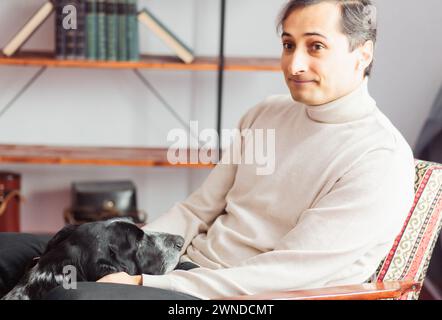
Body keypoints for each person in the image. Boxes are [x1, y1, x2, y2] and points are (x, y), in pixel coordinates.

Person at [0, 0, 415, 300]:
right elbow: (197, 210)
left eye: (316, 46)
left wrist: (147, 285)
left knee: (74, 299)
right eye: (289, 44)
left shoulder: (378, 159)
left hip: (237, 298)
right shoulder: (266, 113)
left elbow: (285, 274)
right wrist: (139, 254)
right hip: (183, 268)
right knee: (8, 254)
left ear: (364, 53)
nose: (294, 65)